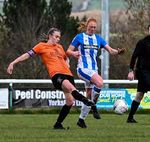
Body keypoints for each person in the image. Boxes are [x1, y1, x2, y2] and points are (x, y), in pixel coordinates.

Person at [7, 27, 96, 129]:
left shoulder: (60, 47)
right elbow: (27, 54)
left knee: (70, 102)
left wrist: (68, 62)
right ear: (50, 36)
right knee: (71, 88)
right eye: (56, 36)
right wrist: (13, 63)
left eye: (59, 37)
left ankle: (58, 124)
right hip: (57, 75)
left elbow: (65, 58)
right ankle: (88, 102)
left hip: (68, 74)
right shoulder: (41, 46)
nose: (58, 39)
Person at [67, 17, 125, 128]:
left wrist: (118, 52)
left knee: (88, 96)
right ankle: (94, 107)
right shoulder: (79, 37)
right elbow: (68, 51)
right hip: (83, 69)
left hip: (93, 70)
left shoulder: (98, 39)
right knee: (99, 82)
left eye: (94, 27)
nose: (92, 29)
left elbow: (111, 50)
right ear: (87, 26)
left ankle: (81, 120)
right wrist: (73, 53)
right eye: (90, 27)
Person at [127, 25, 150, 123]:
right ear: (148, 30)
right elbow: (134, 57)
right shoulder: (142, 42)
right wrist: (131, 71)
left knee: (139, 95)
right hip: (143, 71)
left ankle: (130, 118)